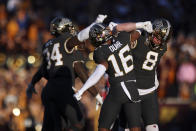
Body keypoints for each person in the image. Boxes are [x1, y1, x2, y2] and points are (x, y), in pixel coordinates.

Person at [26, 15, 107, 131]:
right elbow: (82, 73)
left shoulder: (47, 46)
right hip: (62, 89)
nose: (71, 30)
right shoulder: (67, 44)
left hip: (48, 91)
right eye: (69, 28)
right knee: (78, 123)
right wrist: (96, 94)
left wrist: (31, 84)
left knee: (53, 126)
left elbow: (42, 71)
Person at [74, 21, 153, 131]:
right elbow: (138, 31)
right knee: (134, 126)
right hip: (131, 88)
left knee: (103, 126)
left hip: (116, 91)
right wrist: (140, 25)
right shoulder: (123, 37)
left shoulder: (100, 52)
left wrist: (81, 90)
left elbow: (99, 72)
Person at [110, 18, 172, 131]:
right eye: (157, 37)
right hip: (139, 91)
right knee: (132, 127)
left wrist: (139, 27)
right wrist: (140, 28)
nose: (159, 41)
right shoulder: (161, 46)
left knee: (149, 127)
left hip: (141, 90)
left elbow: (119, 29)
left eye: (162, 39)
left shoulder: (141, 37)